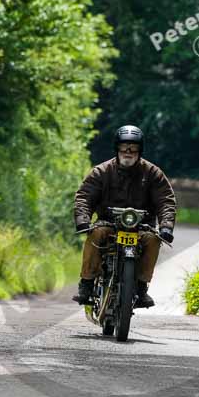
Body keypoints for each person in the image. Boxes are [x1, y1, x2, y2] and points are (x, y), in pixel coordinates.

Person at [72, 125, 176, 308]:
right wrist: (83, 220)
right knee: (96, 234)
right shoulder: (101, 172)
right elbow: (84, 197)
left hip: (142, 227)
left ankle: (142, 287)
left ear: (140, 149)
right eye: (124, 147)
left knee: (153, 239)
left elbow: (166, 201)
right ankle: (86, 283)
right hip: (107, 223)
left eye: (133, 147)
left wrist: (166, 226)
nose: (128, 151)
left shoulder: (153, 174)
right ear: (117, 148)